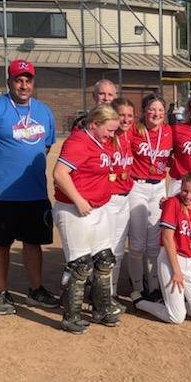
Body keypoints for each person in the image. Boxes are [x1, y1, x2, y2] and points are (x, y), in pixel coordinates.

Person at [0, 59, 59, 315]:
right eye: (18, 80)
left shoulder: (43, 111)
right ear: (9, 81)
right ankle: (1, 292)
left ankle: (36, 290)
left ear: (33, 82)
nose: (23, 85)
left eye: (28, 80)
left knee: (33, 242)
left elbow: (46, 145)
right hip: (4, 194)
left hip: (35, 192)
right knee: (2, 242)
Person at [53, 104, 122, 333]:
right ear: (94, 124)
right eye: (109, 130)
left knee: (104, 259)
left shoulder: (100, 143)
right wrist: (78, 200)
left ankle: (101, 308)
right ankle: (71, 316)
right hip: (75, 210)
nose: (111, 135)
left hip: (98, 209)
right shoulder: (78, 142)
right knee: (80, 265)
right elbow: (59, 173)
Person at [133, 172, 191, 325]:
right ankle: (140, 302)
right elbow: (167, 239)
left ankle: (174, 303)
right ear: (180, 187)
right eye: (185, 190)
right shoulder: (172, 203)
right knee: (176, 317)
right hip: (171, 260)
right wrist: (176, 271)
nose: (188, 196)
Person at [127, 93, 173, 302]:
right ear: (144, 111)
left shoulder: (170, 131)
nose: (156, 114)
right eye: (152, 110)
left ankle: (153, 286)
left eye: (160, 111)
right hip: (138, 186)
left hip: (159, 187)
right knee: (137, 243)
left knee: (155, 242)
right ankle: (136, 286)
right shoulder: (134, 131)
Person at [107, 97, 135, 298]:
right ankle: (101, 292)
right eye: (121, 115)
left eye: (129, 116)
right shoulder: (106, 137)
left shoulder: (133, 134)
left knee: (117, 248)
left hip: (125, 198)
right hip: (107, 199)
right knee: (105, 248)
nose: (125, 120)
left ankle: (111, 292)